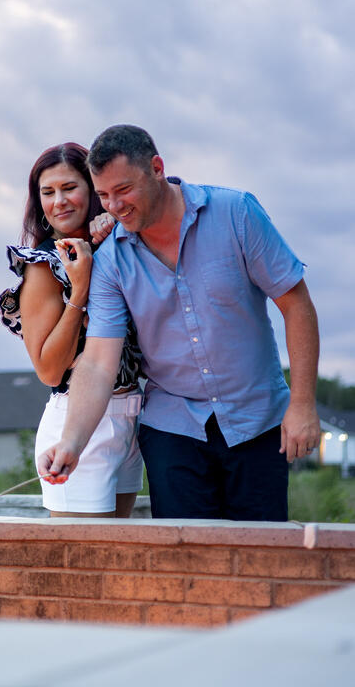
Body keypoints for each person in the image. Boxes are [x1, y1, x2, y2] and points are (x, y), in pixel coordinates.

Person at [38, 125, 320, 521]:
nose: (114, 207)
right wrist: (72, 441)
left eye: (124, 190)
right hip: (173, 428)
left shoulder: (237, 214)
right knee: (184, 566)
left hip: (257, 421)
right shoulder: (111, 262)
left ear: (156, 168)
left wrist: (303, 403)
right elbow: (99, 363)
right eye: (103, 195)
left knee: (260, 559)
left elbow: (297, 306)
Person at [0, 142, 144, 517]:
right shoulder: (43, 265)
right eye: (48, 192)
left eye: (69, 188)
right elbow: (49, 369)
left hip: (131, 419)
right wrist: (79, 291)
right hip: (78, 425)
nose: (59, 201)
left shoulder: (117, 245)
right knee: (84, 561)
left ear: (92, 191)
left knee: (118, 557)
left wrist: (113, 233)